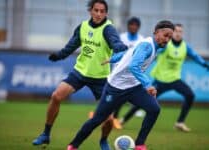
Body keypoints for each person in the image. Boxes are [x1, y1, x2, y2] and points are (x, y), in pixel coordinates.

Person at [32, 0, 127, 149]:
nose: (99, 14)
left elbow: (116, 43)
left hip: (101, 79)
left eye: (102, 11)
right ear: (90, 10)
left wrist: (120, 47)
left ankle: (103, 140)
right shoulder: (83, 27)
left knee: (109, 119)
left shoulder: (108, 29)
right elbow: (71, 46)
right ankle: (45, 134)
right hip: (80, 72)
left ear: (106, 13)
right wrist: (59, 55)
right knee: (56, 96)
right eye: (96, 10)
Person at [67, 20, 174, 150]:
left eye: (170, 37)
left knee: (154, 109)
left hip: (133, 87)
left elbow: (128, 54)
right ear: (156, 32)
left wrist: (113, 59)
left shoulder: (150, 45)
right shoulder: (147, 46)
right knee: (97, 119)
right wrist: (147, 85)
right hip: (115, 88)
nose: (167, 39)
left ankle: (139, 144)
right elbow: (133, 66)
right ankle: (73, 145)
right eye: (165, 35)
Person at [121, 23, 209, 132]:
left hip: (175, 79)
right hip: (160, 80)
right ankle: (123, 120)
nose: (178, 34)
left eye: (180, 32)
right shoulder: (165, 45)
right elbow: (151, 50)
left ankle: (180, 122)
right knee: (145, 101)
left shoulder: (185, 46)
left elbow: (194, 55)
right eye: (176, 31)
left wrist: (203, 63)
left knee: (190, 95)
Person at [112, 17, 144, 129]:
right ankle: (112, 118)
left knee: (125, 98)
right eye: (131, 24)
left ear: (138, 27)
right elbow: (115, 53)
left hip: (133, 74)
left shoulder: (141, 40)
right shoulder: (122, 37)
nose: (133, 27)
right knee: (117, 97)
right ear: (128, 26)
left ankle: (113, 118)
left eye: (136, 25)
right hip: (120, 72)